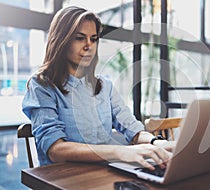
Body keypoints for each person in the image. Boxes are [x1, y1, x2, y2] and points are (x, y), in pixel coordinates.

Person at [22, 6, 173, 169]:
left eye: (93, 39)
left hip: (104, 172)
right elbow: (56, 150)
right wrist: (119, 151)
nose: (89, 45)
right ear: (61, 40)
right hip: (63, 177)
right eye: (80, 38)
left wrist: (157, 143)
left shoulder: (104, 86)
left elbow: (132, 129)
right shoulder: (42, 85)